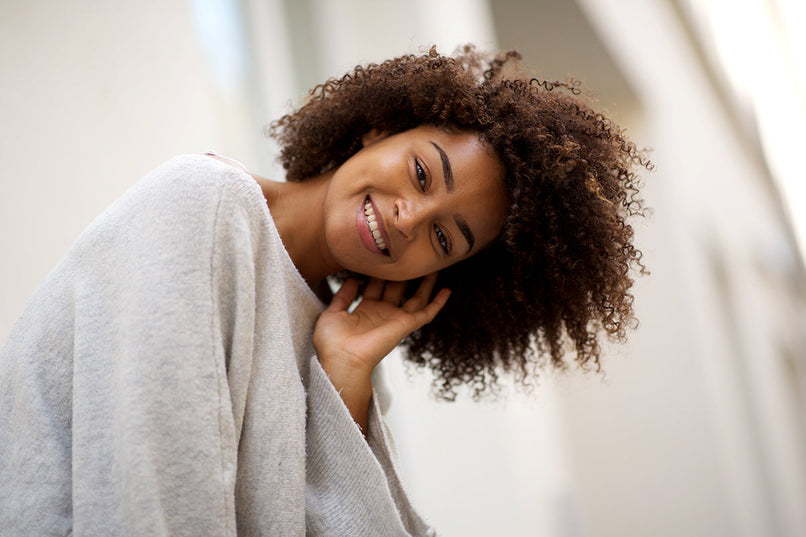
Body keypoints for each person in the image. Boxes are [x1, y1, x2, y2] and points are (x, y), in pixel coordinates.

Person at [0, 46, 649, 536]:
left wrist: (344, 383)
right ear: (380, 129)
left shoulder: (344, 347)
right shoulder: (203, 204)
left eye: (443, 237)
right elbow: (151, 501)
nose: (408, 218)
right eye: (422, 172)